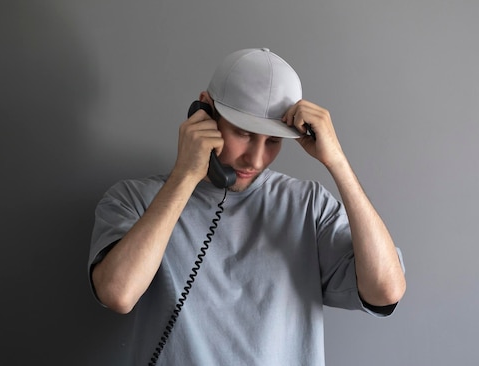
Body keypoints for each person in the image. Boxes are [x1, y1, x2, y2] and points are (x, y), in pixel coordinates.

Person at [88, 48, 406, 365]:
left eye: (272, 141)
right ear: (205, 112)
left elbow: (386, 291)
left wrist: (337, 161)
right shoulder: (132, 198)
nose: (255, 159)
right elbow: (118, 293)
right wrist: (186, 175)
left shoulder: (308, 205)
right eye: (243, 133)